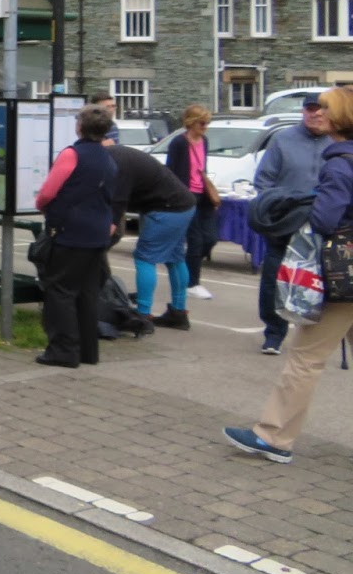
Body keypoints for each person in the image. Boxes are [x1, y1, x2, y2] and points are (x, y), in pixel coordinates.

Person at [224, 86, 353, 463]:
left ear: (338, 118)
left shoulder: (341, 163)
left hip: (340, 276)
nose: (316, 113)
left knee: (305, 358)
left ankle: (274, 437)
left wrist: (301, 205)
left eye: (323, 109)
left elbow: (326, 219)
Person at [33, 104, 118, 368]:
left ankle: (63, 351)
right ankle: (87, 352)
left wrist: (42, 205)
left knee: (60, 291)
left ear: (79, 126)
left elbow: (48, 192)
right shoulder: (108, 158)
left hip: (70, 232)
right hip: (97, 234)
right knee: (87, 293)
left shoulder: (72, 155)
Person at [250, 95, 332, 353]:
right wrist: (276, 207)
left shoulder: (339, 140)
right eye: (311, 109)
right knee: (274, 277)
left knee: (326, 279)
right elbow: (264, 181)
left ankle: (318, 333)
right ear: (303, 111)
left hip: (323, 221)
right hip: (285, 220)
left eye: (321, 110)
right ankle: (274, 332)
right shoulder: (283, 139)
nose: (316, 114)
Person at [108, 143, 197, 329]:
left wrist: (111, 224)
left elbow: (119, 199)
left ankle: (142, 314)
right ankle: (179, 312)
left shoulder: (118, 161)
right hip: (185, 204)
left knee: (144, 258)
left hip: (165, 209)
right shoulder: (125, 154)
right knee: (175, 258)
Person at [165, 104, 221, 300]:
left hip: (203, 195)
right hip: (186, 196)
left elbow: (202, 168)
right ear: (191, 122)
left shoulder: (204, 141)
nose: (205, 127)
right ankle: (192, 283)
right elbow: (170, 172)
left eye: (207, 123)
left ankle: (189, 265)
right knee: (196, 240)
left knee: (211, 237)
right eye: (202, 123)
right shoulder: (178, 144)